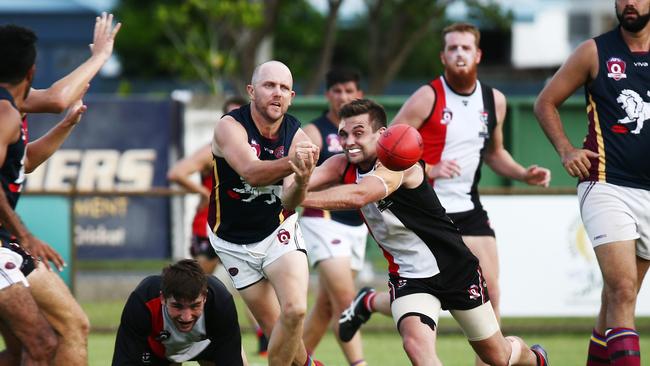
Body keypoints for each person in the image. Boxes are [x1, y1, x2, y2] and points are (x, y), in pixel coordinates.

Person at [301, 98, 549, 366]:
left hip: (454, 268)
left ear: (382, 134)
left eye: (358, 133)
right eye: (343, 134)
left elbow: (361, 194)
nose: (349, 141)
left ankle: (535, 359)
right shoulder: (340, 165)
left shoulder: (398, 164)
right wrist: (287, 177)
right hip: (408, 274)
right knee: (416, 346)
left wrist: (297, 200)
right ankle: (370, 302)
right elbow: (299, 182)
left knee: (497, 357)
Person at [379, 22, 550, 365]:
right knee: (428, 302)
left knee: (492, 293)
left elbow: (494, 153)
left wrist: (522, 173)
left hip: (469, 209)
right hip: (428, 212)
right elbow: (388, 150)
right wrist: (430, 168)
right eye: (452, 48)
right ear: (443, 56)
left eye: (465, 48)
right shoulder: (427, 96)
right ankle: (372, 304)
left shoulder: (495, 100)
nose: (459, 53)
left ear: (478, 54)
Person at [0, 14, 121, 366]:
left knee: (68, 329)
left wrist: (65, 125)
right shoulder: (5, 112)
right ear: (31, 71)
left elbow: (54, 104)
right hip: (6, 241)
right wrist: (100, 55)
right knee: (42, 344)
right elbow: (56, 97)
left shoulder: (12, 105)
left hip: (6, 242)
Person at [534, 1, 649, 365]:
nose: (629, 2)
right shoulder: (593, 51)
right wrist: (566, 150)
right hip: (606, 184)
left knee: (616, 302)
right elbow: (545, 102)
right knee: (623, 289)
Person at [206, 60, 321, 366]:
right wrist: (292, 162)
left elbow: (289, 201)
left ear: (292, 97)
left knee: (295, 311)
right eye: (269, 85)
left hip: (277, 232)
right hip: (232, 241)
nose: (277, 93)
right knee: (277, 332)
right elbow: (252, 172)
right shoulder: (230, 126)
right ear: (251, 90)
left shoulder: (295, 135)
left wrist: (304, 176)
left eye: (284, 88)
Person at [167, 95, 269, 356]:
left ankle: (264, 340)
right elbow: (176, 172)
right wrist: (202, 194)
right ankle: (185, 337)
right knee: (196, 286)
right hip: (210, 227)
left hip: (245, 229)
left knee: (254, 288)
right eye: (230, 116)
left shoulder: (258, 149)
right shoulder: (213, 147)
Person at [299, 68, 369, 364]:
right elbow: (301, 177)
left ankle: (295, 360)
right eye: (337, 90)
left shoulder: (368, 133)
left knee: (327, 307)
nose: (343, 96)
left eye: (349, 90)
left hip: (357, 224)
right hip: (321, 219)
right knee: (346, 300)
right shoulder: (315, 131)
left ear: (359, 95)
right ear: (328, 95)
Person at [112, 259, 245, 365]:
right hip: (161, 351)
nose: (186, 317)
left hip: (207, 346)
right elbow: (125, 361)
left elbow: (230, 359)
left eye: (195, 306)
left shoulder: (220, 302)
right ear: (162, 298)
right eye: (177, 306)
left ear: (204, 297)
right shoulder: (143, 301)